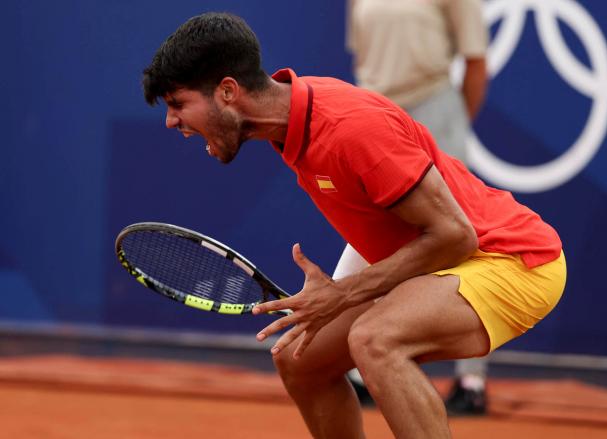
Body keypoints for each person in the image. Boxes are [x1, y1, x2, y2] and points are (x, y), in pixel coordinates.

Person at [142, 12, 566, 439]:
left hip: (513, 260)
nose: (171, 121)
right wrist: (334, 295)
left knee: (375, 340)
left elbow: (456, 236)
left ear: (228, 92)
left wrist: (342, 295)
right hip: (448, 256)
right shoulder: (285, 124)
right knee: (299, 358)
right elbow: (377, 217)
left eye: (179, 104)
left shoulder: (349, 127)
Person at [345, 0, 491, 414]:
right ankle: (364, 370)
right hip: (372, 114)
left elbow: (476, 64)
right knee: (370, 237)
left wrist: (453, 127)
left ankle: (471, 379)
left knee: (464, 241)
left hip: (436, 112)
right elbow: (364, 57)